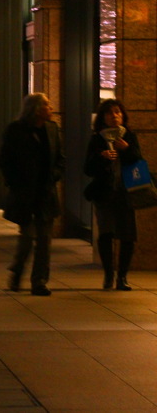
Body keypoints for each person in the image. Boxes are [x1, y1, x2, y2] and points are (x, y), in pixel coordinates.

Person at [0, 93, 65, 297]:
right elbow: (4, 159)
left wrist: (54, 176)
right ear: (36, 109)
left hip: (46, 193)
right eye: (47, 105)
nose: (50, 108)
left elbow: (60, 159)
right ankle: (17, 271)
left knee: (44, 240)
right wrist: (14, 182)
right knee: (27, 237)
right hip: (25, 193)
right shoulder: (16, 130)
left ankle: (39, 282)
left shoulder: (53, 130)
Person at [83, 98, 140, 291]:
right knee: (106, 234)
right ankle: (108, 275)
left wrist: (126, 149)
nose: (114, 116)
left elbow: (138, 161)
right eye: (109, 113)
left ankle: (122, 277)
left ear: (123, 115)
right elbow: (88, 169)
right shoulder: (97, 139)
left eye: (117, 112)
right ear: (103, 118)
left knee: (127, 235)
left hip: (126, 192)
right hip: (104, 193)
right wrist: (101, 157)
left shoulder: (129, 136)